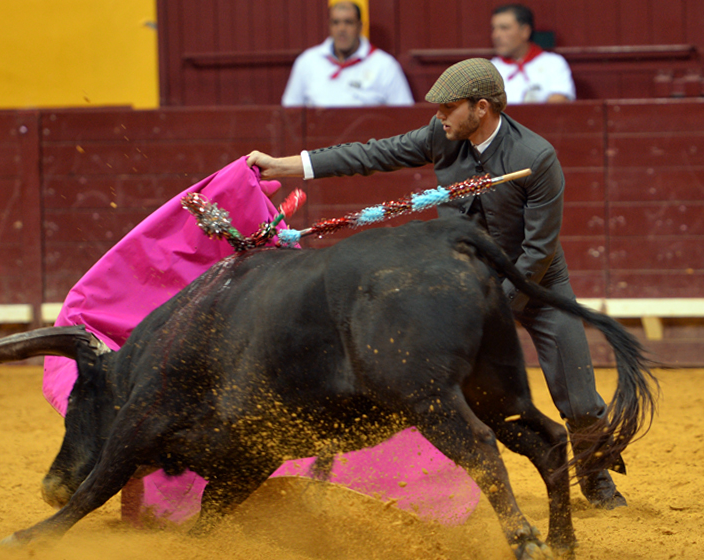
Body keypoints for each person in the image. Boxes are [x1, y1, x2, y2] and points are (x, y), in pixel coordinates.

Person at [248, 57, 626, 510]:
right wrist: (284, 166)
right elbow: (372, 154)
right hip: (464, 284)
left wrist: (497, 306)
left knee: (581, 401)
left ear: (480, 107)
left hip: (537, 286)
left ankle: (595, 473)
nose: (439, 116)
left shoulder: (536, 156)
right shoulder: (442, 136)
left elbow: (539, 250)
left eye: (449, 107)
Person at [281, 0, 414, 107]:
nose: (341, 29)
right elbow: (289, 113)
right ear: (329, 26)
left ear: (360, 26)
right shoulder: (307, 62)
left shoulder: (384, 65)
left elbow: (404, 115)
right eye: (336, 23)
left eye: (348, 22)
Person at [490, 3, 575, 104]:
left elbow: (558, 105)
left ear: (525, 31)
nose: (496, 35)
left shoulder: (553, 63)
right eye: (494, 29)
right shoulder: (489, 70)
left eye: (504, 28)